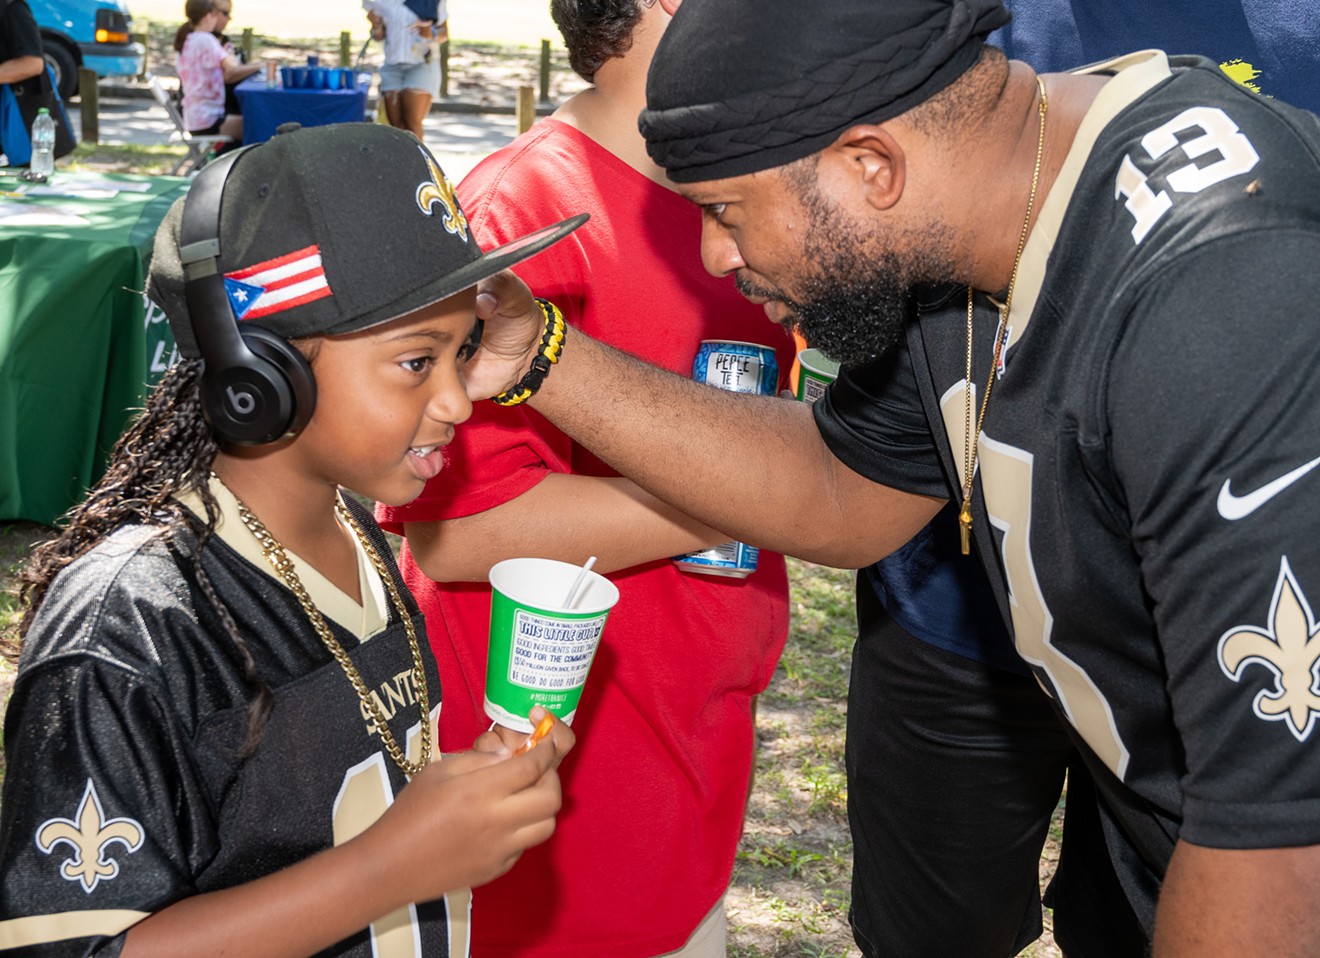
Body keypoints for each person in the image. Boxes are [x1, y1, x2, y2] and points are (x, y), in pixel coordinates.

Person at [457, 0, 1320, 952]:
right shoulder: (971, 220)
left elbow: (1279, 854)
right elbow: (841, 486)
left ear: (872, 166)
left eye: (725, 210)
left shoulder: (1229, 286)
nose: (716, 256)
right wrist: (540, 353)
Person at [0, 123, 582, 956]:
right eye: (417, 361)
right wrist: (390, 868)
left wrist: (463, 798)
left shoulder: (355, 532)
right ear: (259, 380)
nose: (458, 401)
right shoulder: (132, 625)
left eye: (465, 351)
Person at [376, 2, 795, 953]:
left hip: (687, 750)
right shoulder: (519, 210)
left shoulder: (731, 196)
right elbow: (460, 531)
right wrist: (766, 482)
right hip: (566, 780)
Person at [173, 0, 259, 146]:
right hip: (208, 119)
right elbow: (232, 69)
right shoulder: (207, 40)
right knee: (259, 126)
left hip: (194, 117)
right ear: (208, 16)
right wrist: (259, 66)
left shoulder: (188, 39)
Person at [364, 0, 447, 140]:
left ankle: (419, 162)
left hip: (421, 63)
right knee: (396, 128)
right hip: (392, 65)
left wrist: (430, 33)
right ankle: (400, 162)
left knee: (412, 123)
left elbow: (443, 33)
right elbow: (379, 35)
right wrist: (375, 25)